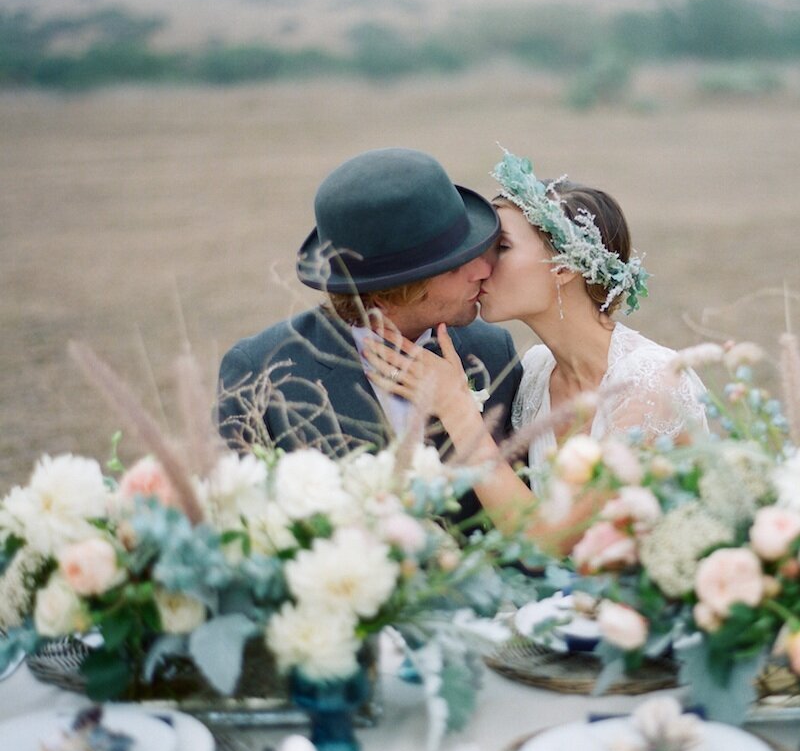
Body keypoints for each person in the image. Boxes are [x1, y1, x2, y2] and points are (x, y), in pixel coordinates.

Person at [362, 150, 707, 555]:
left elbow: (553, 541)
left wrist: (456, 406)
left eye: (501, 247)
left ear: (563, 267)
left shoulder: (650, 381)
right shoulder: (536, 372)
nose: (480, 265)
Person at [216, 147, 521, 523]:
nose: (483, 269)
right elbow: (242, 528)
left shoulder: (493, 353)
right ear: (388, 290)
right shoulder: (262, 369)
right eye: (453, 266)